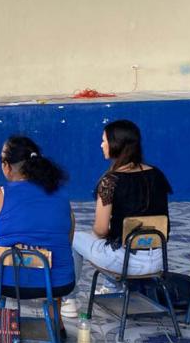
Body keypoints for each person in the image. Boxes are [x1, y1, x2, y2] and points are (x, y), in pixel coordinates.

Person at [63, 120, 172, 317]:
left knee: (75, 238)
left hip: (126, 262)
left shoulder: (110, 181)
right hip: (158, 259)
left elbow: (101, 229)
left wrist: (95, 235)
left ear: (116, 144)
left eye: (104, 140)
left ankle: (69, 300)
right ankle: (111, 287)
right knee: (112, 239)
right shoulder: (157, 174)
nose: (101, 145)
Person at [0, 136, 75, 334]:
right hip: (59, 282)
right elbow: (67, 240)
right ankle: (57, 324)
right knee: (54, 257)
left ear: (6, 166)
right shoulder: (61, 194)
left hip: (6, 281)